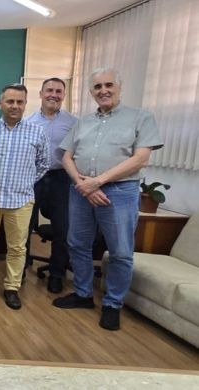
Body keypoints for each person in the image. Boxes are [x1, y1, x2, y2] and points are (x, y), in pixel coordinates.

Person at [53, 68, 162, 331]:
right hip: (80, 191)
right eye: (97, 87)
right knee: (77, 244)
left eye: (108, 85)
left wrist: (98, 182)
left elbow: (140, 158)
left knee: (120, 252)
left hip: (120, 191)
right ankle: (83, 294)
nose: (103, 91)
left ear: (119, 87)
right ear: (91, 92)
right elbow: (66, 155)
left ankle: (113, 305)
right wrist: (83, 184)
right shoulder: (83, 122)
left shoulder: (141, 117)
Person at [0, 84, 49, 310]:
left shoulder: (37, 132)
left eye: (19, 102)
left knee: (17, 247)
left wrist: (25, 182)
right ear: (0, 104)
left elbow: (43, 164)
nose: (15, 106)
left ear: (25, 104)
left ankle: (12, 286)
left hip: (21, 200)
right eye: (10, 101)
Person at [25, 77, 78, 293]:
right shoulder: (28, 122)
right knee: (25, 224)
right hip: (33, 178)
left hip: (61, 178)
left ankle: (57, 273)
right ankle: (21, 266)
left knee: (62, 228)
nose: (53, 95)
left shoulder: (74, 123)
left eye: (58, 91)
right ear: (41, 93)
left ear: (63, 95)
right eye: (49, 90)